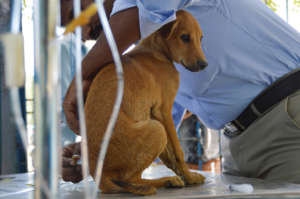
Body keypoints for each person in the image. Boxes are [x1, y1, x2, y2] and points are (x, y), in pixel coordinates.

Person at [62, 0, 300, 184]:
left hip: (287, 117)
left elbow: (146, 11)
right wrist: (101, 149)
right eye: (69, 28)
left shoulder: (148, 14)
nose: (83, 35)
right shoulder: (154, 49)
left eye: (75, 15)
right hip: (240, 139)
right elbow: (155, 121)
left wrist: (84, 72)